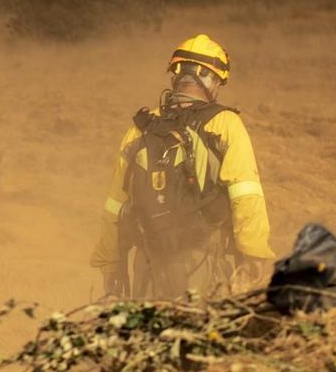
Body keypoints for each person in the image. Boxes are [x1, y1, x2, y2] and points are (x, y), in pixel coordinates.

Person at [90, 34, 274, 299]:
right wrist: (252, 255)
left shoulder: (141, 127)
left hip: (147, 264)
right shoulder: (224, 124)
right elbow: (245, 194)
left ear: (176, 75)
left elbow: (115, 204)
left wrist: (111, 264)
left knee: (149, 336)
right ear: (211, 79)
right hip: (201, 264)